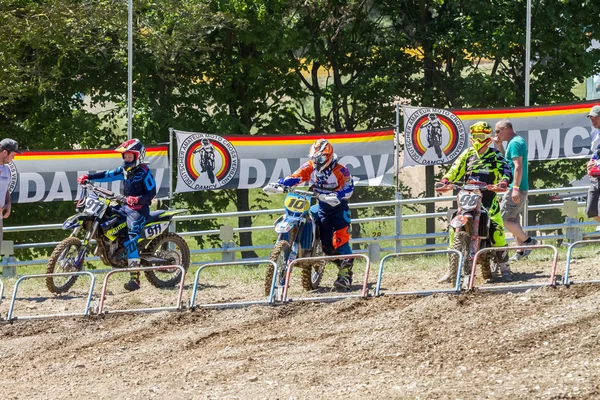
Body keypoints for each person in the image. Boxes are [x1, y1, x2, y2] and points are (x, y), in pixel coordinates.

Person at [436, 121, 514, 283]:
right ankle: (452, 270)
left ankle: (505, 267)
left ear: (487, 137)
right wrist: (445, 181)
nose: (477, 139)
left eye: (480, 136)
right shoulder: (467, 154)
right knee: (453, 228)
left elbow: (506, 169)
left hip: (487, 197)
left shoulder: (495, 155)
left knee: (497, 228)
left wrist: (504, 182)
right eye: (474, 136)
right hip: (467, 195)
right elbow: (454, 169)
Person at [78, 139, 157, 291]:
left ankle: (135, 279)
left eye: (130, 157)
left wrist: (138, 199)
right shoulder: (124, 171)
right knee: (106, 218)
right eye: (125, 157)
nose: (127, 159)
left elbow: (152, 192)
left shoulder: (145, 172)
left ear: (138, 156)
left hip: (138, 210)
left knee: (131, 237)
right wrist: (88, 177)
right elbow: (108, 175)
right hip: (124, 206)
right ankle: (112, 248)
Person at [277, 138, 355, 290]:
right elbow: (296, 177)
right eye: (313, 157)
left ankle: (345, 275)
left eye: (319, 158)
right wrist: (281, 183)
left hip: (338, 209)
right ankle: (307, 249)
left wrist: (337, 195)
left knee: (340, 241)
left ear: (328, 156)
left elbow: (349, 188)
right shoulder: (310, 167)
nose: (316, 160)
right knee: (326, 246)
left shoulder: (341, 170)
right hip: (322, 207)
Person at [493, 119, 537, 261]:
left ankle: (528, 241)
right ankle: (520, 251)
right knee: (513, 220)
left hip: (516, 187)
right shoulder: (514, 142)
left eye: (498, 131)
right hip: (516, 187)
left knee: (502, 218)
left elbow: (518, 166)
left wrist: (515, 188)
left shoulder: (516, 143)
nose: (496, 134)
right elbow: (507, 164)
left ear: (506, 129)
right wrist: (499, 145)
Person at [0, 139, 22, 250]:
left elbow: (6, 188)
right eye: (12, 154)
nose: (13, 158)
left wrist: (8, 203)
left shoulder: (6, 169)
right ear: (4, 152)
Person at [585, 105, 600, 227]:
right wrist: (590, 162)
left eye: (595, 118)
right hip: (595, 177)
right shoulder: (594, 133)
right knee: (590, 209)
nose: (592, 120)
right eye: (590, 118)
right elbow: (595, 154)